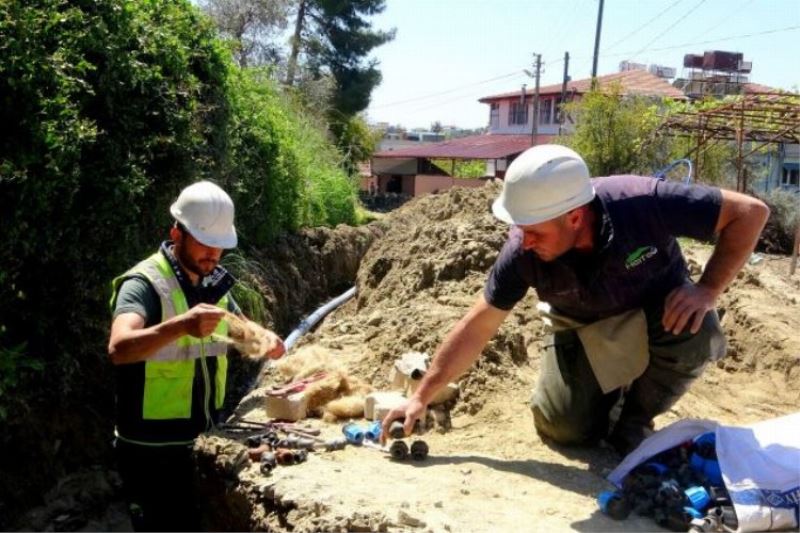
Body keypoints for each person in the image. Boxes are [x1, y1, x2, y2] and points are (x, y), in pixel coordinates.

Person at [381, 144, 769, 457]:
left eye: (534, 231)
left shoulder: (642, 202)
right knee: (563, 428)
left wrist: (706, 289)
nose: (524, 240)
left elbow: (750, 213)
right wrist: (421, 396)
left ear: (574, 217)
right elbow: (479, 324)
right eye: (520, 229)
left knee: (697, 329)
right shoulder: (522, 252)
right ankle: (600, 403)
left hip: (655, 311)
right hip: (581, 325)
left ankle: (634, 420)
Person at [108, 181, 285, 531]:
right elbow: (119, 348)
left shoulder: (212, 283)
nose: (213, 255)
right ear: (177, 233)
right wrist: (180, 326)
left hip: (202, 441)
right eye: (206, 243)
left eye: (220, 247)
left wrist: (268, 341)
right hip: (151, 453)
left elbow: (241, 330)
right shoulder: (144, 283)